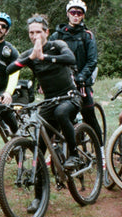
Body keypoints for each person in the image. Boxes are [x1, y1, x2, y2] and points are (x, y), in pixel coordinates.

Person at [8, 14, 82, 170]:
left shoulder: (57, 45)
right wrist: (30, 58)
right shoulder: (29, 54)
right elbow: (10, 69)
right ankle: (39, 188)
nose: (35, 36)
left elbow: (70, 58)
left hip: (69, 96)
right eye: (31, 33)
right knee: (40, 145)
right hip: (49, 101)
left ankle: (74, 155)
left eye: (38, 32)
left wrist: (45, 57)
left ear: (46, 32)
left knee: (61, 113)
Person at [50, 0, 102, 147]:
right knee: (57, 116)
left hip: (82, 81)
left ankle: (102, 150)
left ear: (83, 16)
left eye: (79, 13)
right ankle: (58, 149)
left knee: (89, 116)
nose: (76, 15)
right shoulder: (57, 36)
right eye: (73, 12)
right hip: (62, 82)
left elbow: (92, 61)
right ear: (68, 14)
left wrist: (81, 77)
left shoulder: (87, 36)